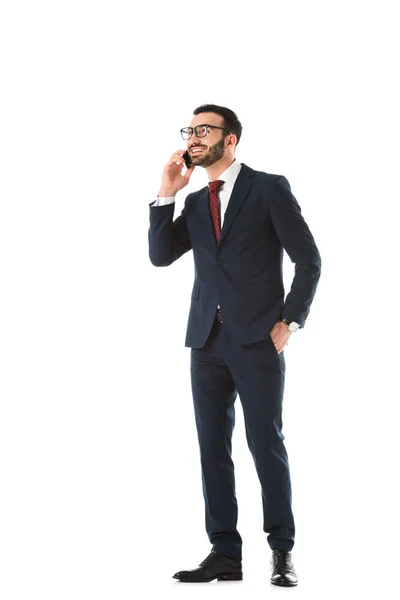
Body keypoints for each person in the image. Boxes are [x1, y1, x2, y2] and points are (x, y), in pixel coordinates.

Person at [148, 104, 322, 587]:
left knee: (265, 443)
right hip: (206, 340)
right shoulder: (194, 201)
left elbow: (309, 261)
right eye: (190, 130)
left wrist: (291, 319)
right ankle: (224, 551)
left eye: (204, 130)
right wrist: (166, 192)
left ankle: (281, 550)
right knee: (211, 448)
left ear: (231, 140)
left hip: (257, 339)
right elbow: (161, 256)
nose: (194, 137)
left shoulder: (269, 188)